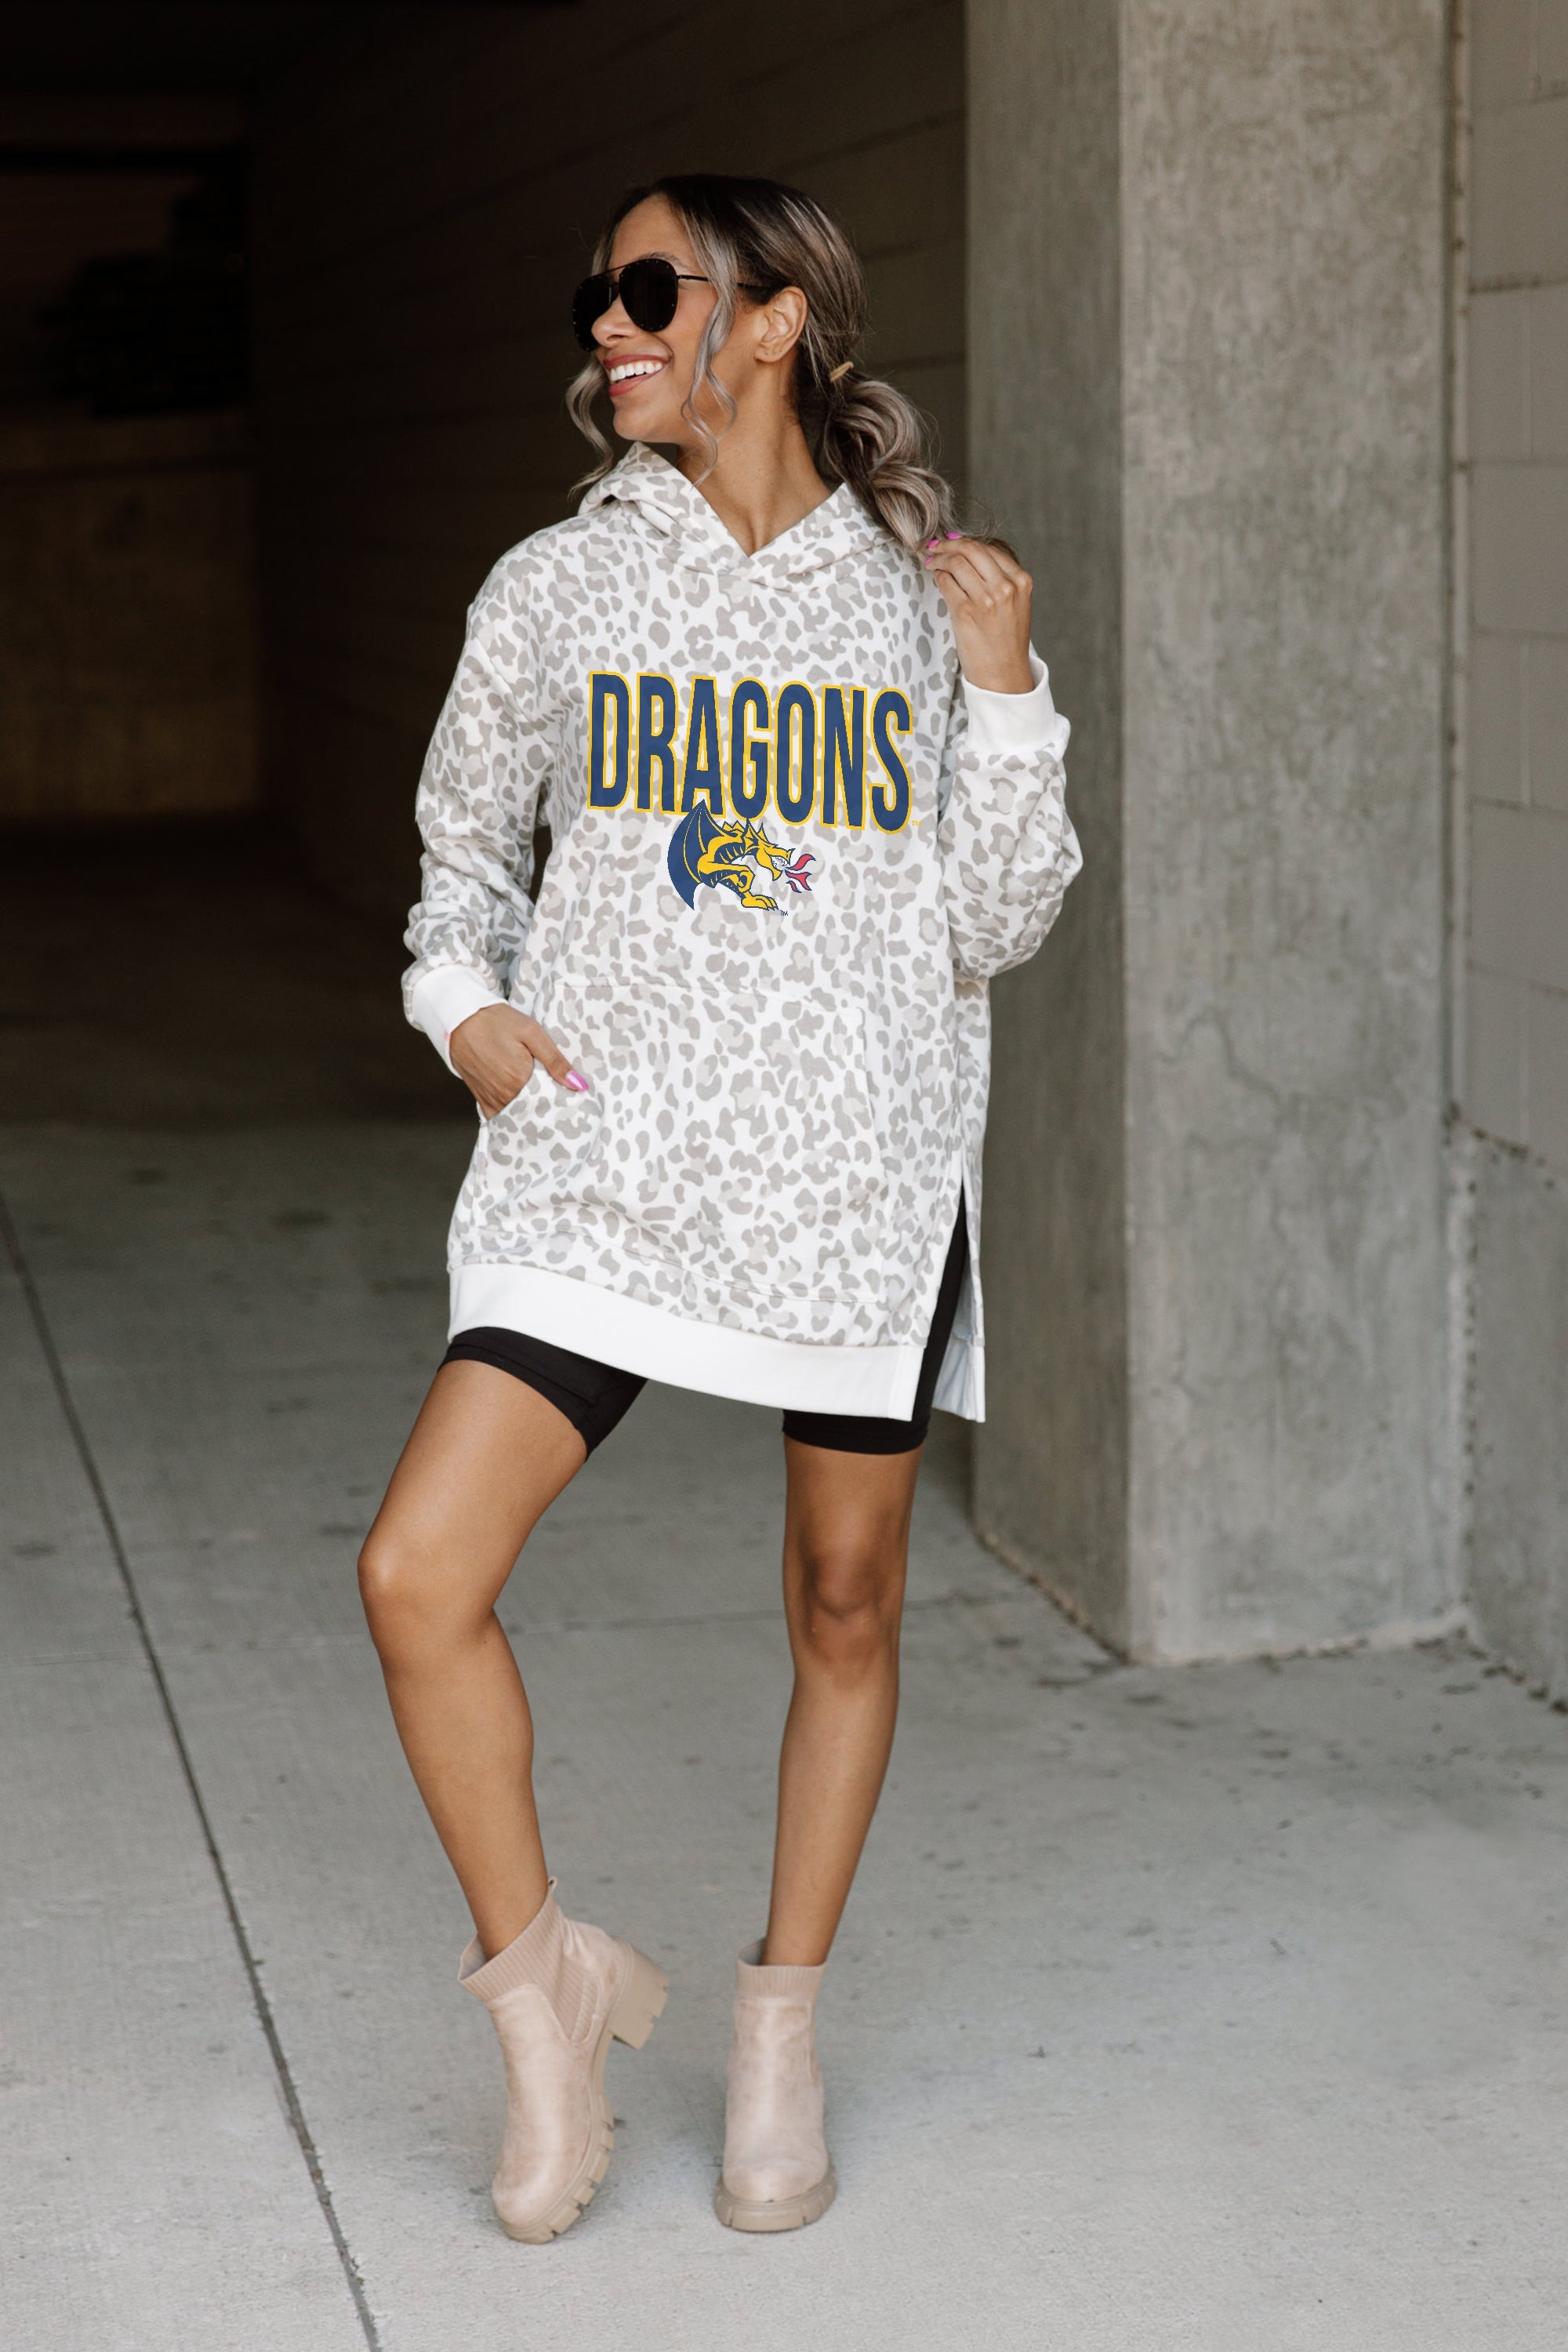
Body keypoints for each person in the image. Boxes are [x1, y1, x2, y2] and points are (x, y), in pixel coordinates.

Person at [358, 171, 1080, 2244]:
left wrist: (1010, 693)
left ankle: (779, 2030)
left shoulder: (917, 603)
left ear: (773, 320)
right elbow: (462, 851)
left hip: (853, 1179)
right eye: (599, 291)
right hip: (600, 1168)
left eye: (652, 286)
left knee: (847, 1604)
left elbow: (994, 923)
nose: (612, 321)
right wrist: (463, 1010)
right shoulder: (556, 586)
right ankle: (545, 2000)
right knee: (417, 1572)